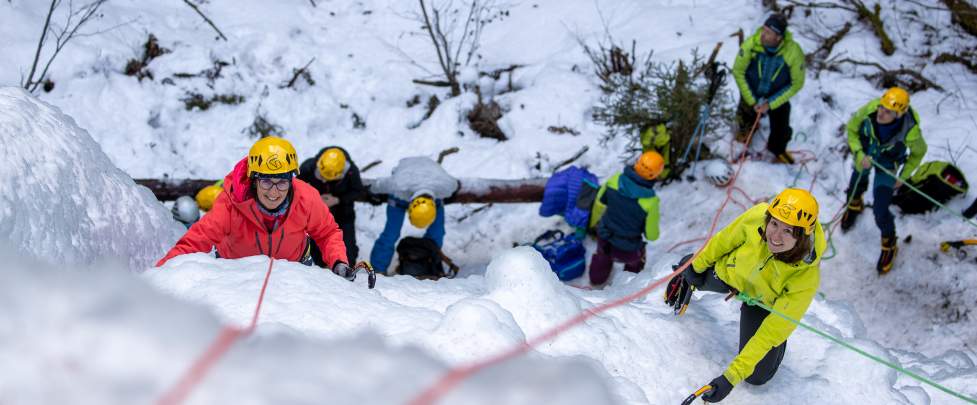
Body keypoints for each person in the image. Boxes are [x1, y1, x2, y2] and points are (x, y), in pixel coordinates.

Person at [665, 188, 824, 403]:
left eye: (788, 231)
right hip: (731, 273)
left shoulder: (805, 277)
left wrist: (730, 378)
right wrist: (695, 266)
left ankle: (778, 347)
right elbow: (724, 241)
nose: (775, 236)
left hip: (762, 303)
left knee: (757, 376)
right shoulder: (758, 216)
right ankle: (689, 268)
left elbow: (771, 330)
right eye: (774, 224)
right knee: (696, 274)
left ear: (802, 236)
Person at [156, 136, 354, 280]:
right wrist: (157, 279)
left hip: (294, 277)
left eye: (282, 183)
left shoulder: (306, 198)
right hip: (236, 277)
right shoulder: (231, 204)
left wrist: (338, 261)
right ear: (254, 180)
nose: (274, 192)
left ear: (291, 180)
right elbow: (194, 243)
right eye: (266, 182)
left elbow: (327, 233)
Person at [840, 87, 927, 274]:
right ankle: (854, 204)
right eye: (882, 107)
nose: (881, 113)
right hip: (865, 155)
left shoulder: (911, 131)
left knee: (880, 208)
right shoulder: (870, 110)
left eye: (888, 111)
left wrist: (902, 177)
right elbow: (852, 129)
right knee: (855, 184)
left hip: (888, 165)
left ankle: (889, 242)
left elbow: (919, 153)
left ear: (899, 114)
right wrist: (858, 153)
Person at [732, 13, 805, 164]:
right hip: (751, 92)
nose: (762, 35)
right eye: (763, 29)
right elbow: (738, 71)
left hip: (776, 95)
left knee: (781, 127)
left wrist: (770, 104)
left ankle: (777, 149)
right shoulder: (751, 45)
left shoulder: (793, 52)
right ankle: (746, 133)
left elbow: (797, 83)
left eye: (768, 33)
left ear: (778, 37)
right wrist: (752, 101)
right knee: (745, 119)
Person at [368, 156, 459, 275]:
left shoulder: (445, 187)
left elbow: (455, 184)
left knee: (437, 232)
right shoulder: (398, 185)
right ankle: (378, 269)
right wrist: (372, 192)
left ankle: (428, 261)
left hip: (433, 189)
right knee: (391, 233)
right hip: (401, 194)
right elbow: (377, 185)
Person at [588, 151, 663, 287]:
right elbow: (651, 236)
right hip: (628, 249)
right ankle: (629, 285)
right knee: (637, 261)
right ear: (655, 174)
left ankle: (596, 280)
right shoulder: (651, 202)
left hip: (605, 238)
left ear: (637, 162)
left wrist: (593, 225)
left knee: (602, 256)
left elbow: (599, 204)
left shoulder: (615, 180)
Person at [298, 146, 366, 264]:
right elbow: (295, 188)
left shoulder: (351, 171)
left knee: (347, 248)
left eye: (327, 178)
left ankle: (346, 269)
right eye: (321, 176)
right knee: (315, 246)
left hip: (343, 212)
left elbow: (357, 191)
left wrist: (337, 200)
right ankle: (320, 268)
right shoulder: (308, 167)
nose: (323, 180)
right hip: (316, 213)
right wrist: (315, 199)